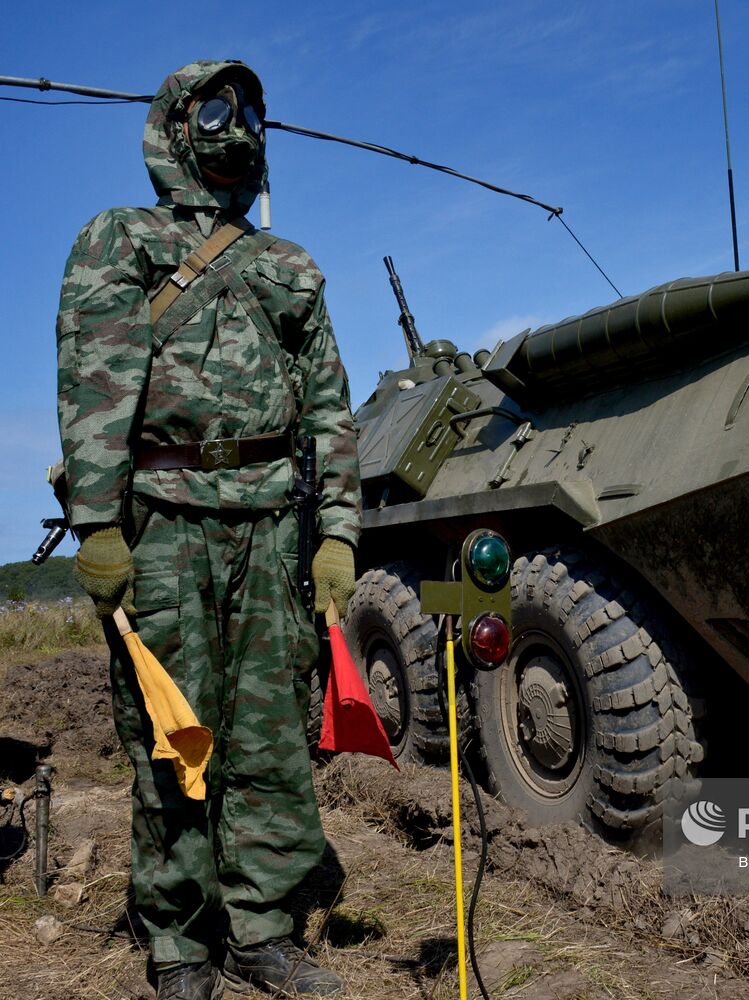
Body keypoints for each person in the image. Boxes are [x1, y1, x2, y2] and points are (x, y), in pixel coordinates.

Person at [56, 60, 360, 999]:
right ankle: (181, 942)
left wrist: (337, 533)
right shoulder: (122, 239)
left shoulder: (289, 265)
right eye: (216, 107)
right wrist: (98, 526)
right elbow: (96, 386)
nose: (239, 124)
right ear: (175, 127)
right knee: (171, 735)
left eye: (252, 108)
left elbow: (330, 412)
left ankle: (262, 929)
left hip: (272, 528)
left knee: (271, 737)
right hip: (162, 527)